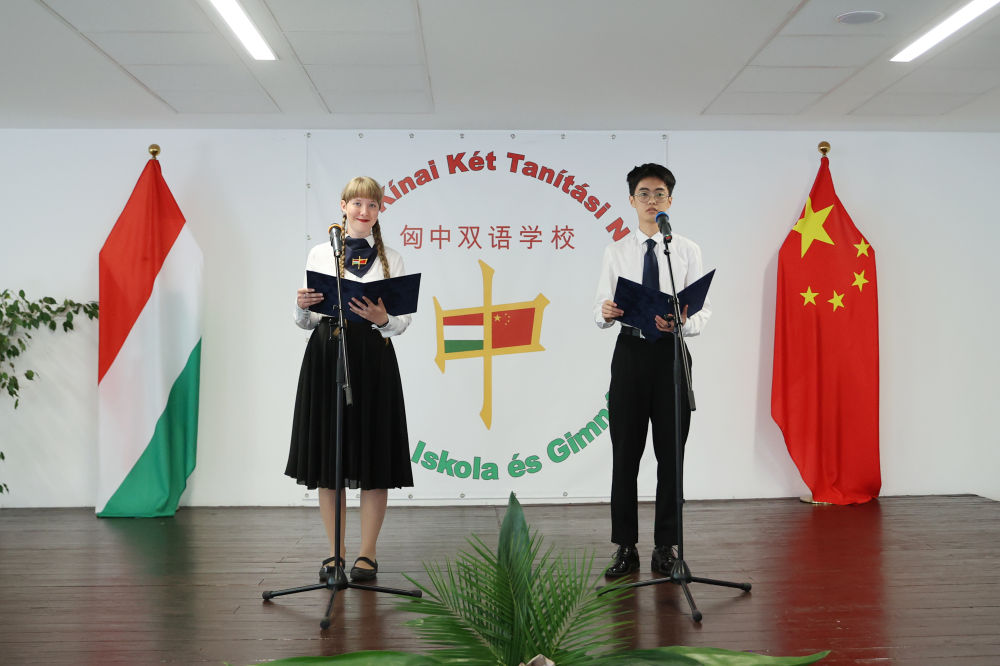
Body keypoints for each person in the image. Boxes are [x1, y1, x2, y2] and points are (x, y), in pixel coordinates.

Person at [285, 176, 414, 583]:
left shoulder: (391, 257)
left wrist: (384, 318)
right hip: (327, 354)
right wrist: (301, 305)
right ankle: (334, 553)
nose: (364, 211)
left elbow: (402, 322)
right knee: (331, 456)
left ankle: (367, 554)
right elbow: (306, 321)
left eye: (372, 205)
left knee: (374, 453)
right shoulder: (321, 253)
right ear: (343, 206)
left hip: (373, 357)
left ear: (379, 211)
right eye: (357, 203)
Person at [592, 163, 711, 578]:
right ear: (631, 200)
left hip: (670, 356)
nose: (651, 200)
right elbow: (599, 307)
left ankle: (666, 546)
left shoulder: (686, 250)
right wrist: (606, 312)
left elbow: (702, 312)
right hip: (630, 352)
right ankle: (625, 547)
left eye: (659, 193)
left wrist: (683, 321)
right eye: (643, 193)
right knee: (625, 452)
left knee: (670, 454)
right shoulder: (616, 251)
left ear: (670, 201)